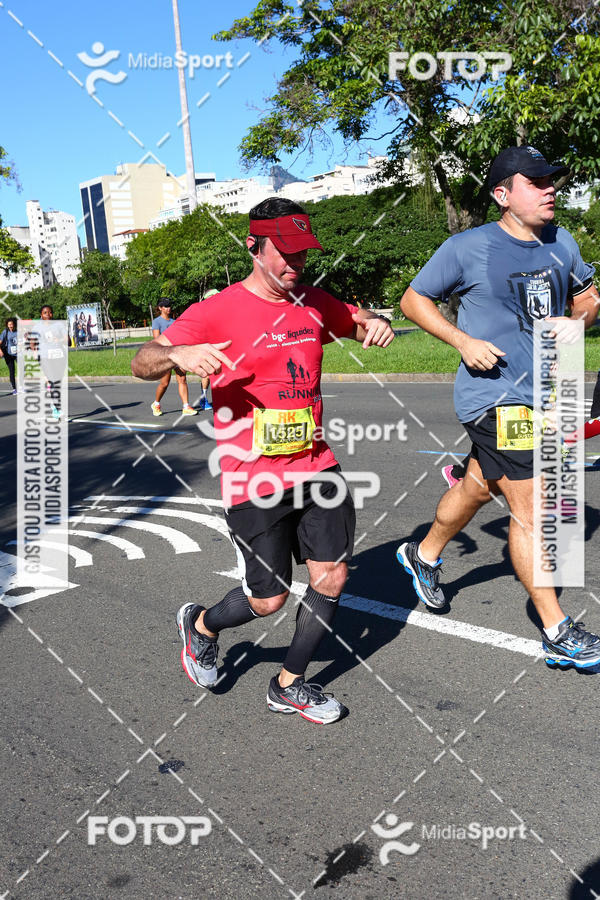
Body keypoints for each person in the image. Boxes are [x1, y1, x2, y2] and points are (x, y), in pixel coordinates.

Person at [131, 197, 394, 722]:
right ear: (254, 248)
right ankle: (203, 625)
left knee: (332, 578)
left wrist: (377, 321)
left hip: (317, 466)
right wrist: (177, 354)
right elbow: (143, 360)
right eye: (285, 254)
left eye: (304, 255)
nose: (296, 265)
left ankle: (289, 684)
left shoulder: (314, 302)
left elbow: (357, 318)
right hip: (252, 479)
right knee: (268, 600)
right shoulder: (216, 310)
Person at [397, 145, 600, 670]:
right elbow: (413, 299)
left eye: (551, 179)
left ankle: (422, 556)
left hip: (547, 395)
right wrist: (462, 341)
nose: (549, 188)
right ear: (503, 195)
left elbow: (582, 302)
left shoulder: (563, 242)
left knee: (478, 487)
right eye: (536, 181)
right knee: (533, 508)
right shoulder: (468, 247)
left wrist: (583, 314)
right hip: (496, 397)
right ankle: (557, 631)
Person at [150, 298, 197, 417]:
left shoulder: (175, 321)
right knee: (165, 383)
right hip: (165, 355)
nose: (168, 308)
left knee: (182, 379)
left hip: (177, 354)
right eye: (165, 306)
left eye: (169, 306)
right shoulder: (157, 322)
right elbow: (157, 340)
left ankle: (186, 406)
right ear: (160, 308)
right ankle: (156, 404)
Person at [0, 317, 18, 393]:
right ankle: (14, 389)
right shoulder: (5, 332)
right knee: (12, 371)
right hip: (8, 354)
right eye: (9, 324)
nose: (10, 326)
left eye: (12, 324)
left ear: (14, 324)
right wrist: (0, 351)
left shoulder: (18, 331)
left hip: (17, 354)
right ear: (7, 325)